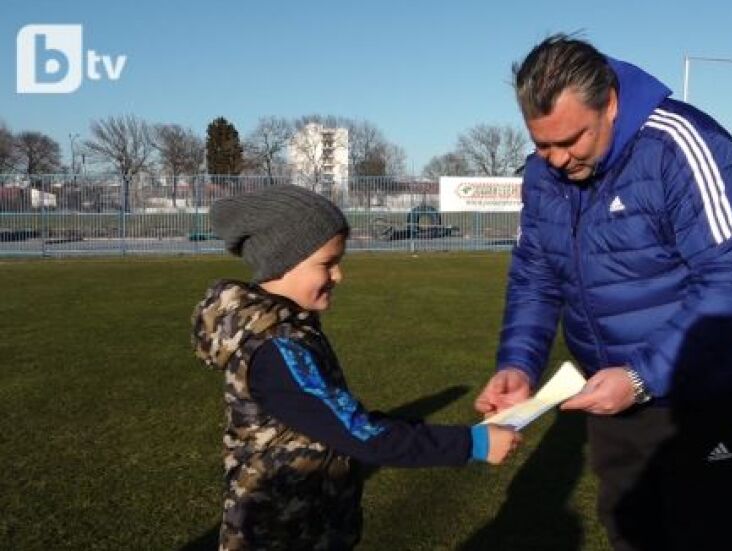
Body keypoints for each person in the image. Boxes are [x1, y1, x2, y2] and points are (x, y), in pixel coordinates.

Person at [475, 34, 732, 550]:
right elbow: (536, 276)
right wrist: (518, 365)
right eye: (542, 143)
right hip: (609, 393)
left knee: (706, 535)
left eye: (571, 140)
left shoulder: (681, 144)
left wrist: (641, 377)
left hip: (701, 394)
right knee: (631, 531)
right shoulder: (541, 174)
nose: (556, 160)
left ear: (609, 103)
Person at [191, 185, 520, 551]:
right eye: (327, 264)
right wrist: (471, 443)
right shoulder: (276, 348)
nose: (339, 276)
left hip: (309, 527)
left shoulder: (289, 329)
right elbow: (359, 433)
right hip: (280, 535)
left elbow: (339, 418)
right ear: (282, 261)